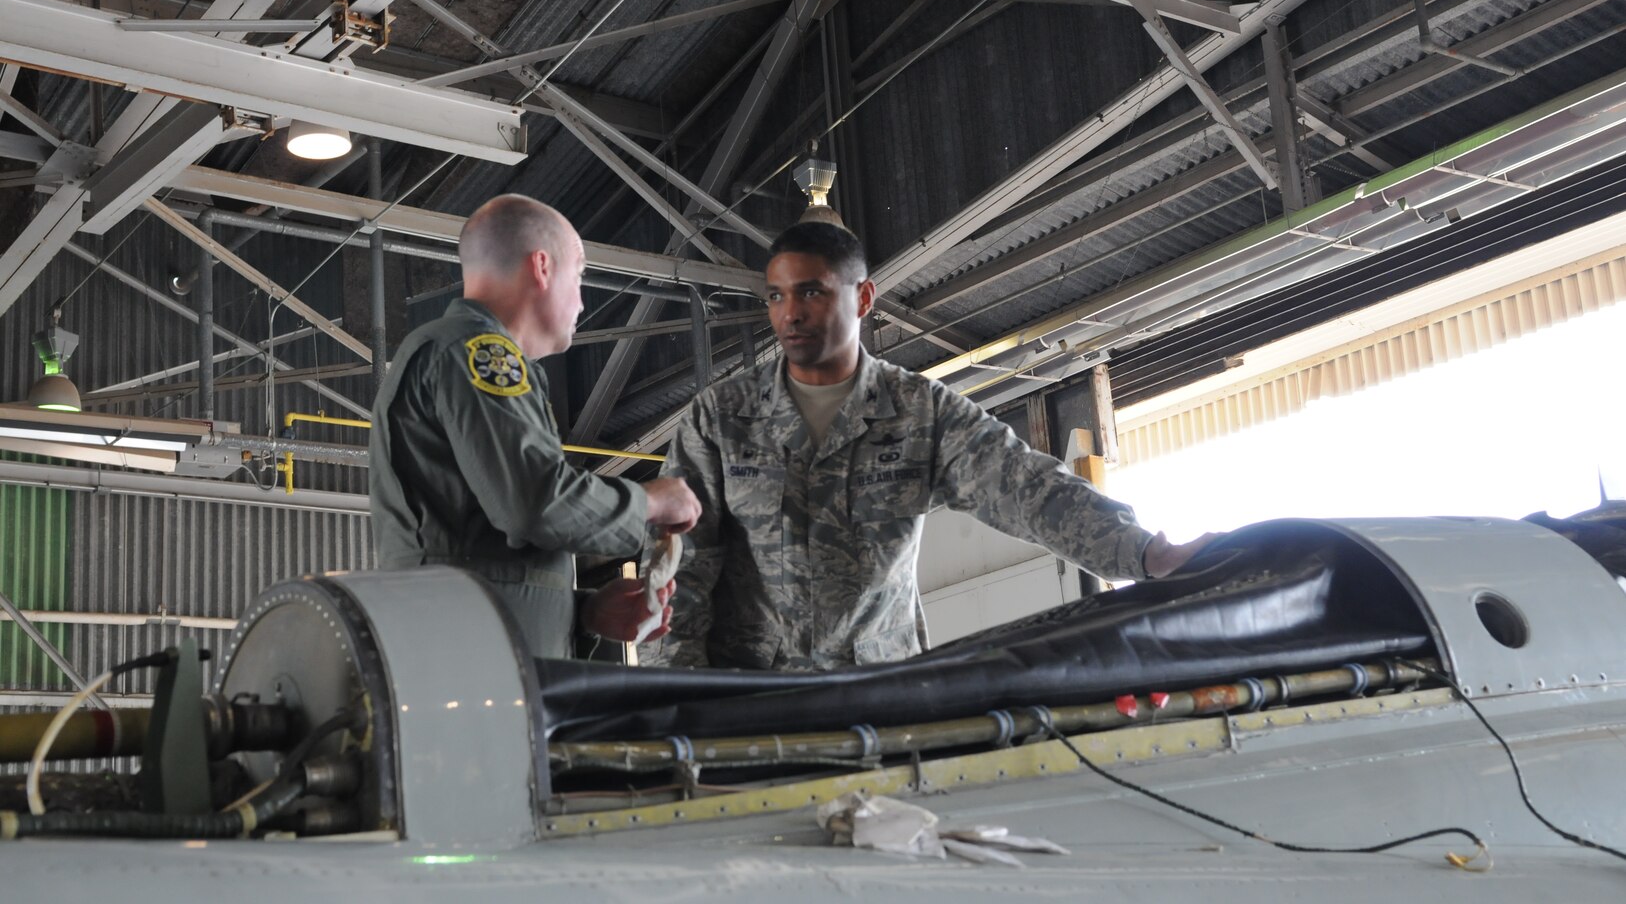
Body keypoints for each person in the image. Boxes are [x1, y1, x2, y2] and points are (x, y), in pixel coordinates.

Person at [647, 222, 1209, 671]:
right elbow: (680, 571)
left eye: (812, 292)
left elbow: (1026, 487)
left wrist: (1144, 554)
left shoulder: (920, 411)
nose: (789, 313)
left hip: (880, 690)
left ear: (863, 298)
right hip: (750, 701)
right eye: (776, 296)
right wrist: (679, 700)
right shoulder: (722, 420)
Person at [370, 194, 701, 659]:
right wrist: (649, 501)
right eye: (580, 275)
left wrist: (582, 614)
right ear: (542, 267)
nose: (583, 302)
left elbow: (482, 545)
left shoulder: (460, 352)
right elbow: (535, 504)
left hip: (480, 658)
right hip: (475, 671)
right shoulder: (479, 353)